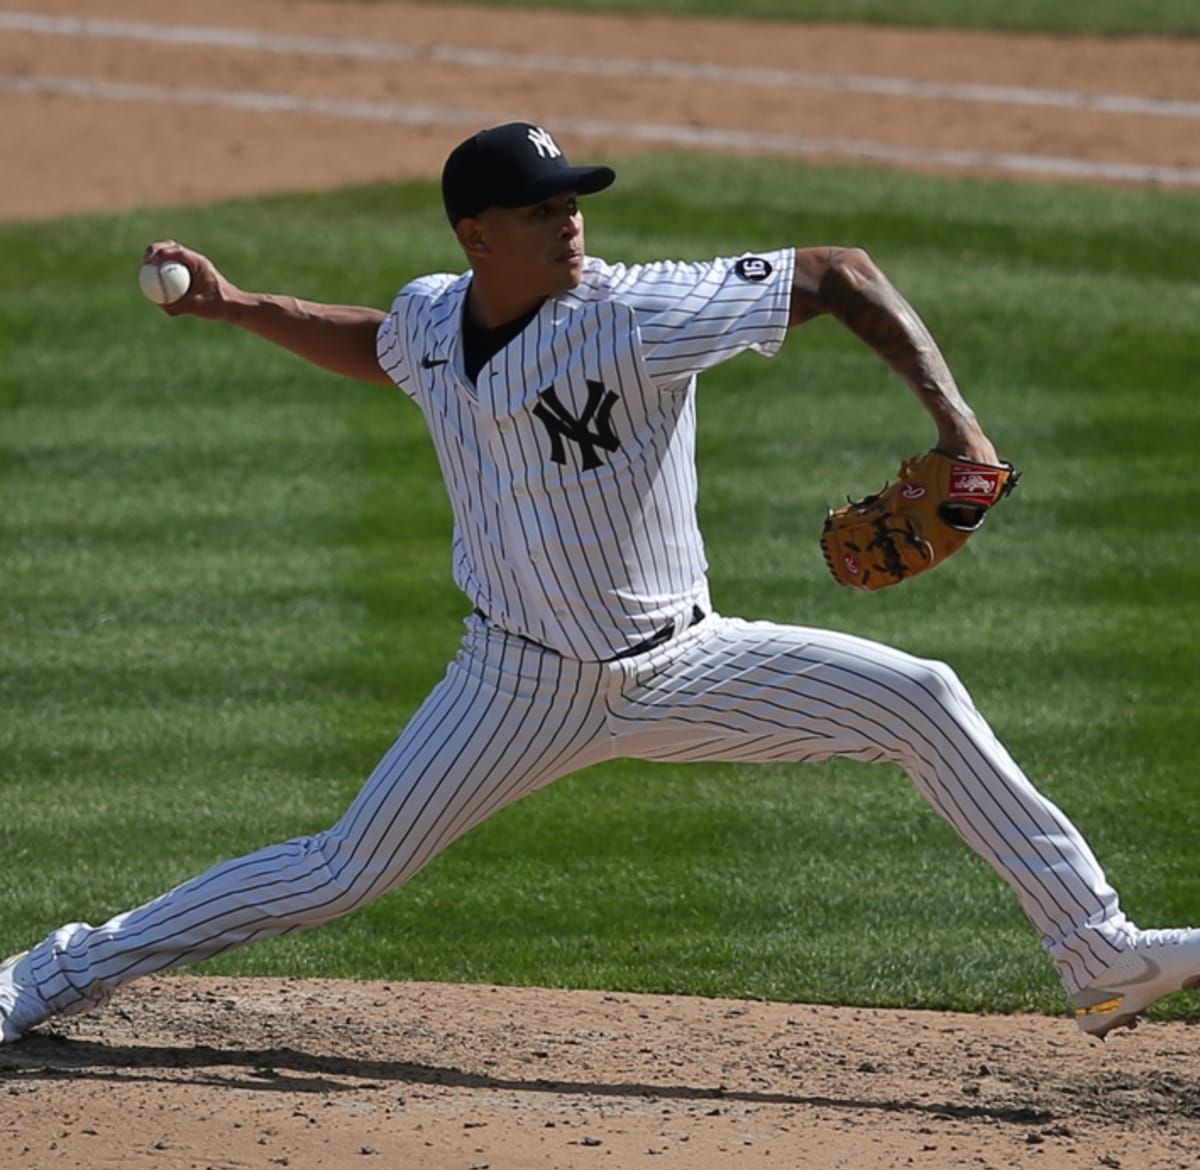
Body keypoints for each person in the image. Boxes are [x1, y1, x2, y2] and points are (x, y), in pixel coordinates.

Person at [2, 121, 1196, 1046]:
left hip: (688, 666)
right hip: (511, 687)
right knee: (338, 873)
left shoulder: (635, 312)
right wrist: (233, 306)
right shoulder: (432, 318)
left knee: (921, 699)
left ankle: (1097, 957)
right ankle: (43, 976)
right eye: (540, 208)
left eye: (574, 199)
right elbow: (381, 342)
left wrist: (962, 430)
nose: (570, 220)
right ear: (478, 236)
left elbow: (839, 272)